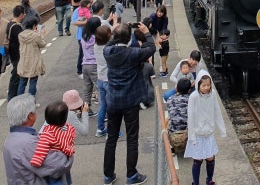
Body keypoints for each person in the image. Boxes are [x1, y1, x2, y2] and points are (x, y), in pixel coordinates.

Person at [102, 22, 156, 185]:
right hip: (131, 101)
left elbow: (111, 42)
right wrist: (146, 32)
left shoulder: (108, 52)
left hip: (112, 101)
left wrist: (115, 30)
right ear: (129, 39)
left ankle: (108, 175)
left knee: (111, 138)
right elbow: (151, 48)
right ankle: (131, 175)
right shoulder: (133, 53)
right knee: (132, 138)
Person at [3, 94, 73, 185]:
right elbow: (59, 165)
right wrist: (68, 150)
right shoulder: (28, 143)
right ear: (30, 116)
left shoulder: (11, 139)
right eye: (35, 111)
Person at [185, 70, 226, 185]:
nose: (206, 88)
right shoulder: (193, 97)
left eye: (208, 85)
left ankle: (209, 180)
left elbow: (217, 111)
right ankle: (196, 183)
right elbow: (191, 117)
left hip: (209, 132)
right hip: (197, 133)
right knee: (197, 160)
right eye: (204, 85)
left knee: (210, 158)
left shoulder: (212, 94)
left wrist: (222, 130)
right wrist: (191, 136)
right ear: (198, 84)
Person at [31, 101, 75, 185]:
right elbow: (70, 140)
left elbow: (41, 149)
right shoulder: (68, 129)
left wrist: (36, 162)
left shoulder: (48, 133)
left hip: (54, 165)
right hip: (65, 160)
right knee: (66, 177)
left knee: (55, 180)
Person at [18, 17, 47, 97]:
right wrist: (42, 35)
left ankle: (19, 101)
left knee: (22, 83)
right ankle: (31, 102)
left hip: (23, 62)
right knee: (33, 82)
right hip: (34, 62)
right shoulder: (36, 36)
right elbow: (43, 44)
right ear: (34, 26)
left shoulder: (20, 35)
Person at [80, 17, 100, 115]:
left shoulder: (84, 37)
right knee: (100, 88)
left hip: (85, 65)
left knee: (87, 89)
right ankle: (103, 112)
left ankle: (86, 110)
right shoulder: (96, 38)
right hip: (94, 65)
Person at [6, 5, 26, 101]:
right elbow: (22, 39)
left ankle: (13, 95)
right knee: (16, 76)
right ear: (21, 15)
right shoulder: (16, 27)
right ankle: (12, 96)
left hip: (12, 53)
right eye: (24, 14)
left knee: (16, 74)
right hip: (17, 54)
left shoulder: (9, 24)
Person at [165, 77, 191, 154]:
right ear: (189, 90)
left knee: (167, 119)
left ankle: (169, 146)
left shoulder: (170, 99)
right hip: (187, 138)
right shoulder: (191, 100)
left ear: (176, 88)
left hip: (173, 138)